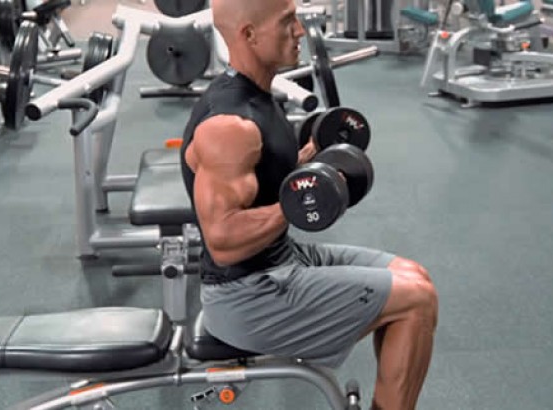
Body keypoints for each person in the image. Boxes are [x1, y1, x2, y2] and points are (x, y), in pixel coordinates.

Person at [180, 0, 438, 408]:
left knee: (414, 275)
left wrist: (314, 154)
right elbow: (223, 242)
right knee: (416, 301)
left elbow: (267, 179)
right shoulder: (230, 127)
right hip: (246, 296)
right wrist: (297, 202)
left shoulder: (258, 95)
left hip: (281, 260)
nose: (300, 30)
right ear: (249, 34)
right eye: (288, 22)